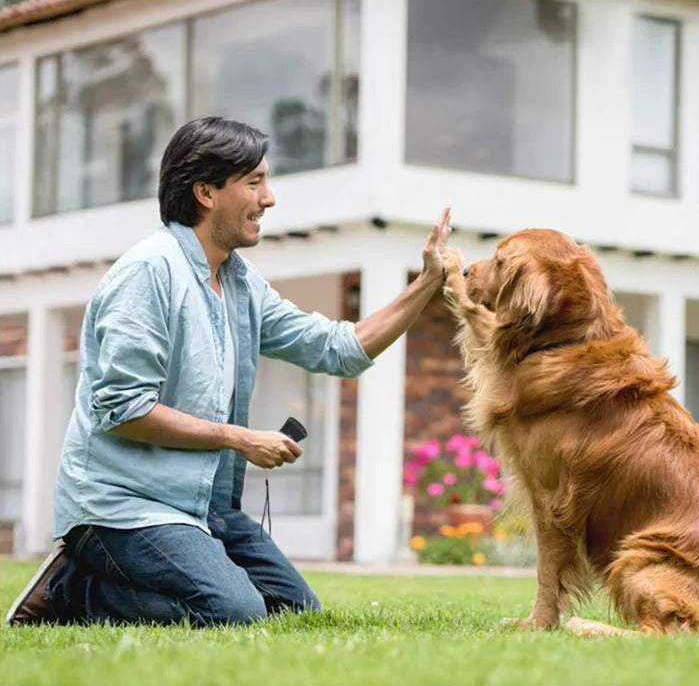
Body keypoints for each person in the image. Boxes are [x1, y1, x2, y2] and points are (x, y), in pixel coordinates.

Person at [6, 116, 452, 626]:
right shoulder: (148, 274)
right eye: (255, 182)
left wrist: (427, 283)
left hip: (205, 507)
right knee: (234, 611)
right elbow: (124, 412)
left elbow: (337, 348)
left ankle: (115, 581)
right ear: (206, 192)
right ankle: (71, 592)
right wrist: (240, 438)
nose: (270, 198)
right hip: (123, 507)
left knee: (294, 612)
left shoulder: (240, 284)